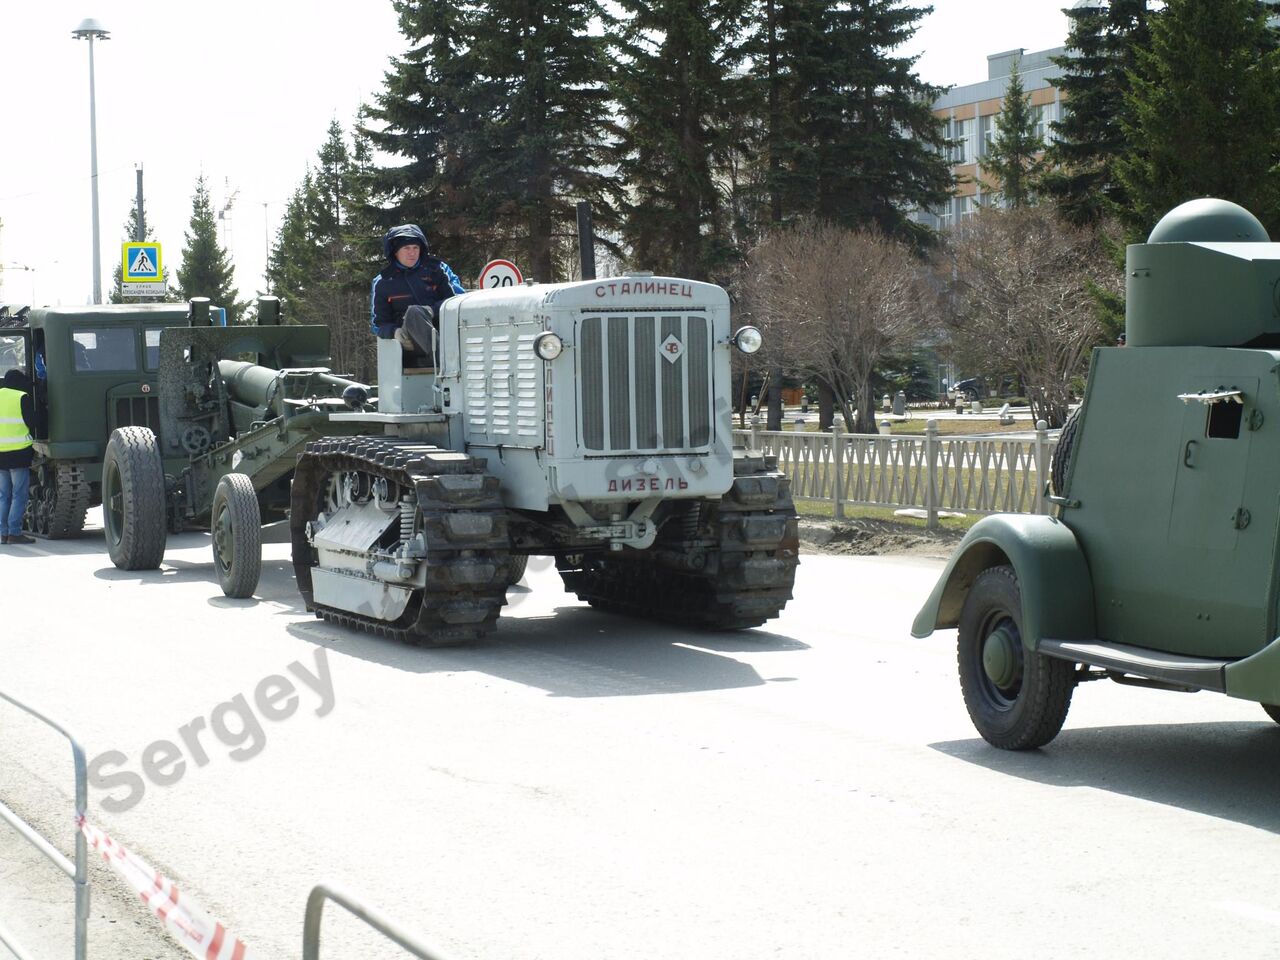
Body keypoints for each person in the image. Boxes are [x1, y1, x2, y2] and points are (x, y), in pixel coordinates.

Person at [370, 224, 466, 356]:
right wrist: (395, 332)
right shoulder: (383, 282)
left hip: (445, 335)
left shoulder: (437, 269)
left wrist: (432, 310)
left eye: (416, 247)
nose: (412, 252)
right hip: (409, 347)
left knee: (415, 312)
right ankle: (444, 361)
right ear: (395, 252)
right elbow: (379, 324)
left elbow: (458, 301)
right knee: (413, 313)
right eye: (406, 248)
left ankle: (444, 359)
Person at [0, 368, 35, 546]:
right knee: (18, 495)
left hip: (0, 455)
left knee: (3, 496)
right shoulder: (22, 397)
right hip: (19, 453)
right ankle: (14, 533)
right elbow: (31, 422)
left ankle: (3, 533)